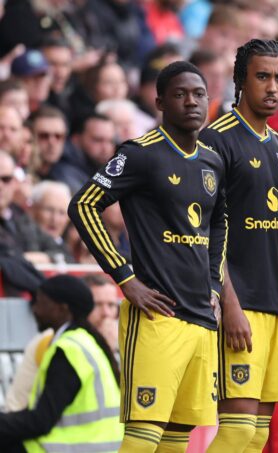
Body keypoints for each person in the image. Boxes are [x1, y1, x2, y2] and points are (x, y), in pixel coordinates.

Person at [69, 61, 227, 453]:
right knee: (143, 438)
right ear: (159, 102)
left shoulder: (213, 160)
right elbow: (83, 205)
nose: (191, 102)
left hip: (201, 319)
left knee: (177, 438)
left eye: (198, 94)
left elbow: (219, 225)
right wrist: (125, 277)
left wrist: (214, 285)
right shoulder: (140, 153)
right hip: (158, 315)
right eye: (179, 94)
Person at [199, 39, 278, 453]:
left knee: (258, 436)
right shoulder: (215, 139)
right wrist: (229, 304)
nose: (272, 87)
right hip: (239, 303)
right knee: (236, 431)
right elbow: (207, 230)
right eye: (262, 76)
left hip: (274, 308)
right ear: (240, 81)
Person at [0, 275, 123, 453]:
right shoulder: (84, 341)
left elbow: (40, 422)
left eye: (40, 302)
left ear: (61, 309)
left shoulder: (69, 349)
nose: (35, 309)